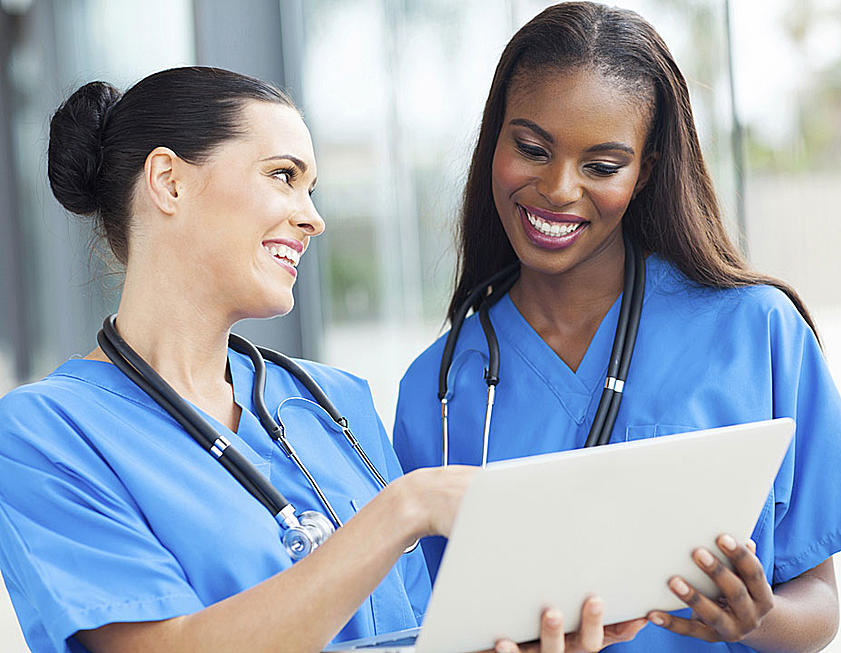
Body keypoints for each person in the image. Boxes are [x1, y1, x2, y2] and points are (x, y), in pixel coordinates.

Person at [0, 66, 642, 653]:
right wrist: (403, 510)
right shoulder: (46, 433)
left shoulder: (334, 402)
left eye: (313, 188)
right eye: (283, 176)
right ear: (169, 181)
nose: (313, 219)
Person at [392, 3, 841, 652]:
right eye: (532, 148)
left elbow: (819, 606)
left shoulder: (757, 331)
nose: (558, 189)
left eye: (601, 166)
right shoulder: (433, 388)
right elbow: (421, 626)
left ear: (643, 172)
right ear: (495, 140)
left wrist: (755, 618)